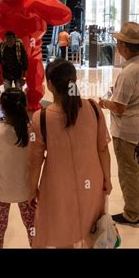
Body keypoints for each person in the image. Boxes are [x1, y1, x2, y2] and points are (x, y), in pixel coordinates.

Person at [28, 59, 112, 248]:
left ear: (50, 84)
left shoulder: (41, 118)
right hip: (92, 178)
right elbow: (103, 148)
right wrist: (107, 178)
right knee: (92, 228)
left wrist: (32, 188)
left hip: (58, 186)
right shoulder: (93, 108)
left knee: (62, 230)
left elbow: (35, 160)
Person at [98, 21, 139, 227]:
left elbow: (119, 107)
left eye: (118, 43)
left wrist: (103, 102)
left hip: (126, 131)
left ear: (124, 46)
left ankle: (132, 214)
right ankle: (135, 197)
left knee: (127, 171)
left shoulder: (128, 72)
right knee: (137, 166)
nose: (116, 46)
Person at [0, 89, 36, 248]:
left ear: (3, 109)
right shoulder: (32, 131)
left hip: (0, 191)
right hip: (26, 191)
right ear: (25, 107)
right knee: (33, 228)